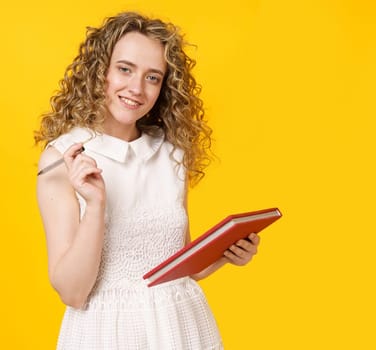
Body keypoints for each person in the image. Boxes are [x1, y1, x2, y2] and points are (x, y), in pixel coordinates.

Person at [35, 12, 259, 349]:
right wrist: (95, 206)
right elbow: (73, 292)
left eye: (153, 77)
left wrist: (226, 253)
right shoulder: (62, 158)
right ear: (101, 72)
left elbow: (180, 264)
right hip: (108, 333)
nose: (137, 88)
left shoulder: (171, 154)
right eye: (125, 69)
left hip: (181, 325)